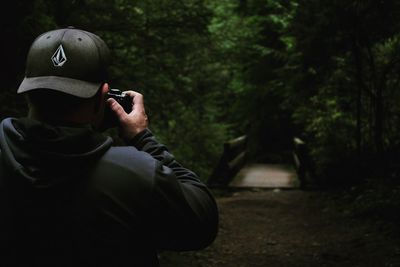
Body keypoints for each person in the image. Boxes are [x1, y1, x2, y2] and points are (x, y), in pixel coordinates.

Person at [0, 27, 218, 266]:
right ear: (103, 95)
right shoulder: (136, 173)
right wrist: (142, 138)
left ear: (27, 92)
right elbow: (201, 223)